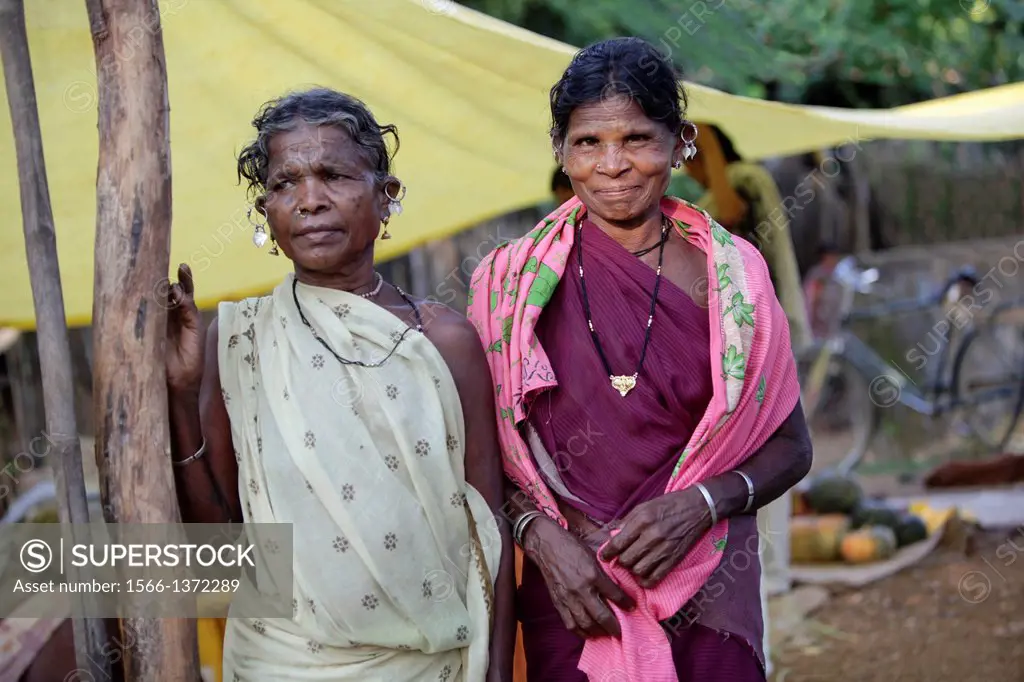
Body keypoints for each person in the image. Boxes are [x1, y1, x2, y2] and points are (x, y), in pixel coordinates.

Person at [467, 38, 812, 682]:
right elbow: (485, 457)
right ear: (560, 150)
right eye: (588, 142)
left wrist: (702, 504)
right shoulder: (507, 286)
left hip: (708, 585)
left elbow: (792, 447)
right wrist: (543, 539)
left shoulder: (732, 276)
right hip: (573, 590)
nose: (613, 164)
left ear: (680, 142)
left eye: (637, 139)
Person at [163, 88, 514, 682]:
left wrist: (499, 672)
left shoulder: (445, 342)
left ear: (386, 196)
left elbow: (490, 527)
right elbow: (219, 538)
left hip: (433, 665)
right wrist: (180, 392)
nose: (309, 201)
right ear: (265, 214)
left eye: (333, 175)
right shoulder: (241, 337)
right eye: (285, 183)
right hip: (282, 661)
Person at [685, 123, 812, 350]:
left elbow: (730, 213)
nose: (687, 172)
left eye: (689, 161)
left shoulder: (745, 180)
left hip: (754, 306)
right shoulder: (721, 193)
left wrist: (709, 145)